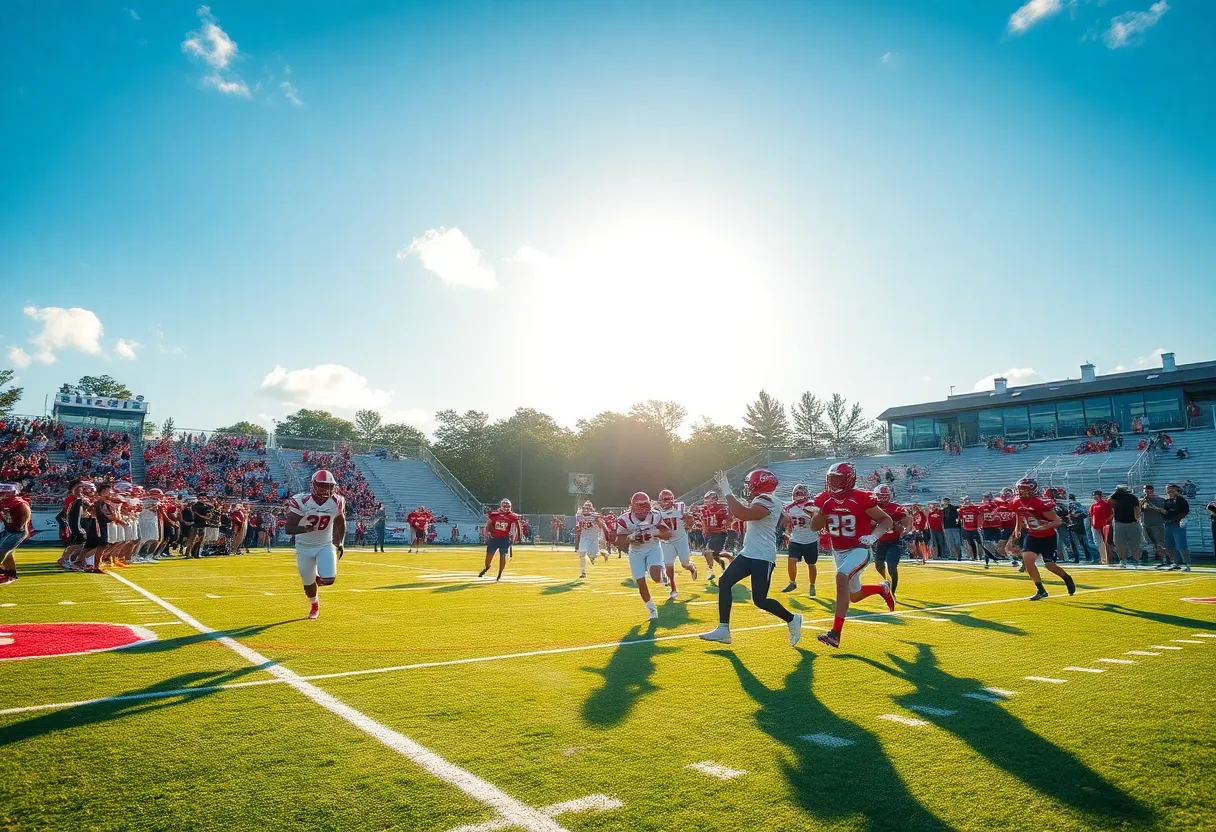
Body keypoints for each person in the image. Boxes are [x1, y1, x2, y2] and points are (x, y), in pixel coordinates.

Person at [700, 469, 802, 646]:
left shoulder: (768, 500)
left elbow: (744, 514)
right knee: (724, 582)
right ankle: (723, 629)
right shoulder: (764, 500)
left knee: (760, 600)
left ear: (760, 484)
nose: (747, 487)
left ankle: (792, 619)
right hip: (748, 553)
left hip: (762, 556)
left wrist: (727, 490)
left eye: (750, 484)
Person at [808, 462, 894, 649]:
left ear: (848, 480)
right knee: (854, 595)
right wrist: (823, 512)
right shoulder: (825, 498)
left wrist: (874, 536)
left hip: (859, 548)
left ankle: (835, 634)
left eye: (837, 478)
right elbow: (814, 526)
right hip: (838, 552)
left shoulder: (861, 498)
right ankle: (882, 589)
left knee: (841, 577)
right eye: (831, 478)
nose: (833, 482)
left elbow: (886, 520)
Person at [284, 469, 347, 620]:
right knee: (308, 583)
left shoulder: (337, 501)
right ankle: (314, 604)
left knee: (329, 579)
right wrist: (304, 528)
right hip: (304, 547)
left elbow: (340, 522)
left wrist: (340, 542)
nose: (326, 489)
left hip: (325, 544)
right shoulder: (301, 501)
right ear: (313, 485)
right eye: (322, 485)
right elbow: (289, 528)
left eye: (328, 486)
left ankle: (316, 579)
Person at [1006, 477, 1075, 601]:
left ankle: (1066, 577)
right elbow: (1019, 514)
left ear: (1033, 490)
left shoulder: (1039, 503)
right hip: (1032, 535)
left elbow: (1058, 521)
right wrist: (1017, 529)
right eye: (1021, 489)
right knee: (1028, 561)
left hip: (1048, 536)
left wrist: (1043, 527)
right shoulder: (1016, 502)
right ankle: (1041, 590)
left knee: (1049, 565)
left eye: (1025, 489)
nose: (1022, 491)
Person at [615, 492, 672, 621]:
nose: (641, 509)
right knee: (640, 582)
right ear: (632, 506)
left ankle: (662, 573)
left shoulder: (655, 516)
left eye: (644, 505)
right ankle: (652, 609)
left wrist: (655, 533)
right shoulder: (625, 519)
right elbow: (619, 540)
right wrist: (630, 538)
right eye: (638, 505)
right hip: (636, 552)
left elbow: (667, 534)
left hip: (652, 547)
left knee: (656, 577)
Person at [655, 489, 698, 599]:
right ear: (660, 500)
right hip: (666, 542)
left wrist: (689, 525)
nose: (667, 502)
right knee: (668, 565)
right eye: (665, 499)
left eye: (669, 499)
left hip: (680, 539)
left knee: (685, 563)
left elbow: (689, 518)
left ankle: (691, 568)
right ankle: (673, 589)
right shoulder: (655, 511)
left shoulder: (679, 507)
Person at [781, 483, 820, 597]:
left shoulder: (811, 506)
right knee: (791, 560)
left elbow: (818, 522)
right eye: (796, 493)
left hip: (810, 539)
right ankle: (792, 582)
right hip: (795, 539)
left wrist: (813, 515)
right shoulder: (789, 508)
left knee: (811, 564)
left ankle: (812, 585)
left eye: (799, 493)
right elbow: (788, 522)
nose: (797, 496)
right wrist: (787, 533)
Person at [870, 484, 908, 599]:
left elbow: (906, 519)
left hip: (894, 541)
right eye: (880, 496)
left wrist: (902, 526)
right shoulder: (872, 508)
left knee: (891, 565)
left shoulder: (896, 508)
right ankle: (888, 581)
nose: (883, 498)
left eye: (885, 496)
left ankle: (892, 593)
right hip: (880, 542)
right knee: (878, 566)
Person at [480, 498, 521, 581]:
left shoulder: (512, 516)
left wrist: (517, 537)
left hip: (504, 539)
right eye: (505, 506)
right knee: (488, 559)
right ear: (501, 506)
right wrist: (487, 533)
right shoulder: (494, 515)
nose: (506, 508)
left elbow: (517, 526)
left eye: (508, 506)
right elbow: (488, 525)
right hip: (494, 538)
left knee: (503, 556)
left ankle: (500, 573)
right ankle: (487, 567)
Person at [0, 483, 31, 585]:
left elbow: (23, 518)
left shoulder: (19, 503)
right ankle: (10, 574)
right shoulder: (5, 503)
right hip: (10, 530)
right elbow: (8, 519)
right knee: (7, 552)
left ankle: (7, 573)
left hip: (17, 531)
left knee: (3, 550)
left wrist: (20, 527)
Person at [699, 490, 734, 581]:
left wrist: (726, 519)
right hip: (708, 534)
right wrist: (704, 532)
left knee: (708, 552)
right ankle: (726, 559)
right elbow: (703, 521)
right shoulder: (704, 509)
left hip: (719, 533)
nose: (707, 502)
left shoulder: (720, 508)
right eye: (706, 500)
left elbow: (729, 519)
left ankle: (711, 572)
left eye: (709, 499)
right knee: (714, 554)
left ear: (715, 499)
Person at [1108, 484, 1142, 568]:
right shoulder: (1115, 498)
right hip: (1119, 522)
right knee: (1119, 543)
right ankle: (1123, 560)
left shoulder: (1132, 497)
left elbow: (1137, 509)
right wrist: (1115, 493)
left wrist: (1138, 518)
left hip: (1131, 522)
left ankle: (1136, 559)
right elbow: (1108, 501)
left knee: (1133, 543)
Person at [573, 501, 606, 578]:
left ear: (591, 509)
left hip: (594, 538)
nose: (586, 510)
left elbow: (602, 525)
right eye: (584, 508)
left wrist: (598, 521)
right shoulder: (579, 515)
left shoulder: (596, 515)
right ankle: (583, 572)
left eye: (588, 508)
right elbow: (579, 525)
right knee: (582, 553)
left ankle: (592, 558)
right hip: (584, 537)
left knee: (592, 555)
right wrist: (578, 528)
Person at [1162, 484, 1191, 571]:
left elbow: (1185, 511)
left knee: (1181, 545)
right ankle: (1176, 563)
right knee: (1171, 545)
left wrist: (1177, 495)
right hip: (1168, 525)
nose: (1170, 492)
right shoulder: (1166, 501)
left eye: (1172, 491)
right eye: (1168, 491)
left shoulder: (1181, 500)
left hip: (1177, 524)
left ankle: (1187, 564)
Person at [1140, 485, 1169, 567]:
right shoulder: (1142, 501)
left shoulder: (1161, 500)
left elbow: (1166, 512)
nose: (1148, 493)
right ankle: (1153, 559)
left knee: (1160, 542)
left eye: (1150, 492)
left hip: (1158, 524)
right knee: (1149, 543)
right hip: (1146, 524)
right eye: (1146, 492)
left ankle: (1163, 559)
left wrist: (1158, 509)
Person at [1088, 489, 1114, 565]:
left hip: (1104, 525)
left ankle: (1108, 558)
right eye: (1094, 495)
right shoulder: (1093, 505)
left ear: (1100, 496)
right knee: (1098, 542)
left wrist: (1107, 521)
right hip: (1095, 526)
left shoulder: (1106, 503)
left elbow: (1112, 513)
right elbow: (1091, 516)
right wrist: (1091, 525)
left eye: (1096, 495)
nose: (1095, 497)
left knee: (1107, 542)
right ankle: (1103, 558)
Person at [957, 497, 983, 561]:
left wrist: (979, 526)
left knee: (979, 543)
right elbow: (959, 519)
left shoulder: (974, 508)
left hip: (975, 528)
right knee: (970, 543)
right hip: (966, 528)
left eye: (968, 500)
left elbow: (980, 515)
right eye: (965, 500)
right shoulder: (961, 509)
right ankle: (973, 556)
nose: (967, 502)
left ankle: (980, 556)